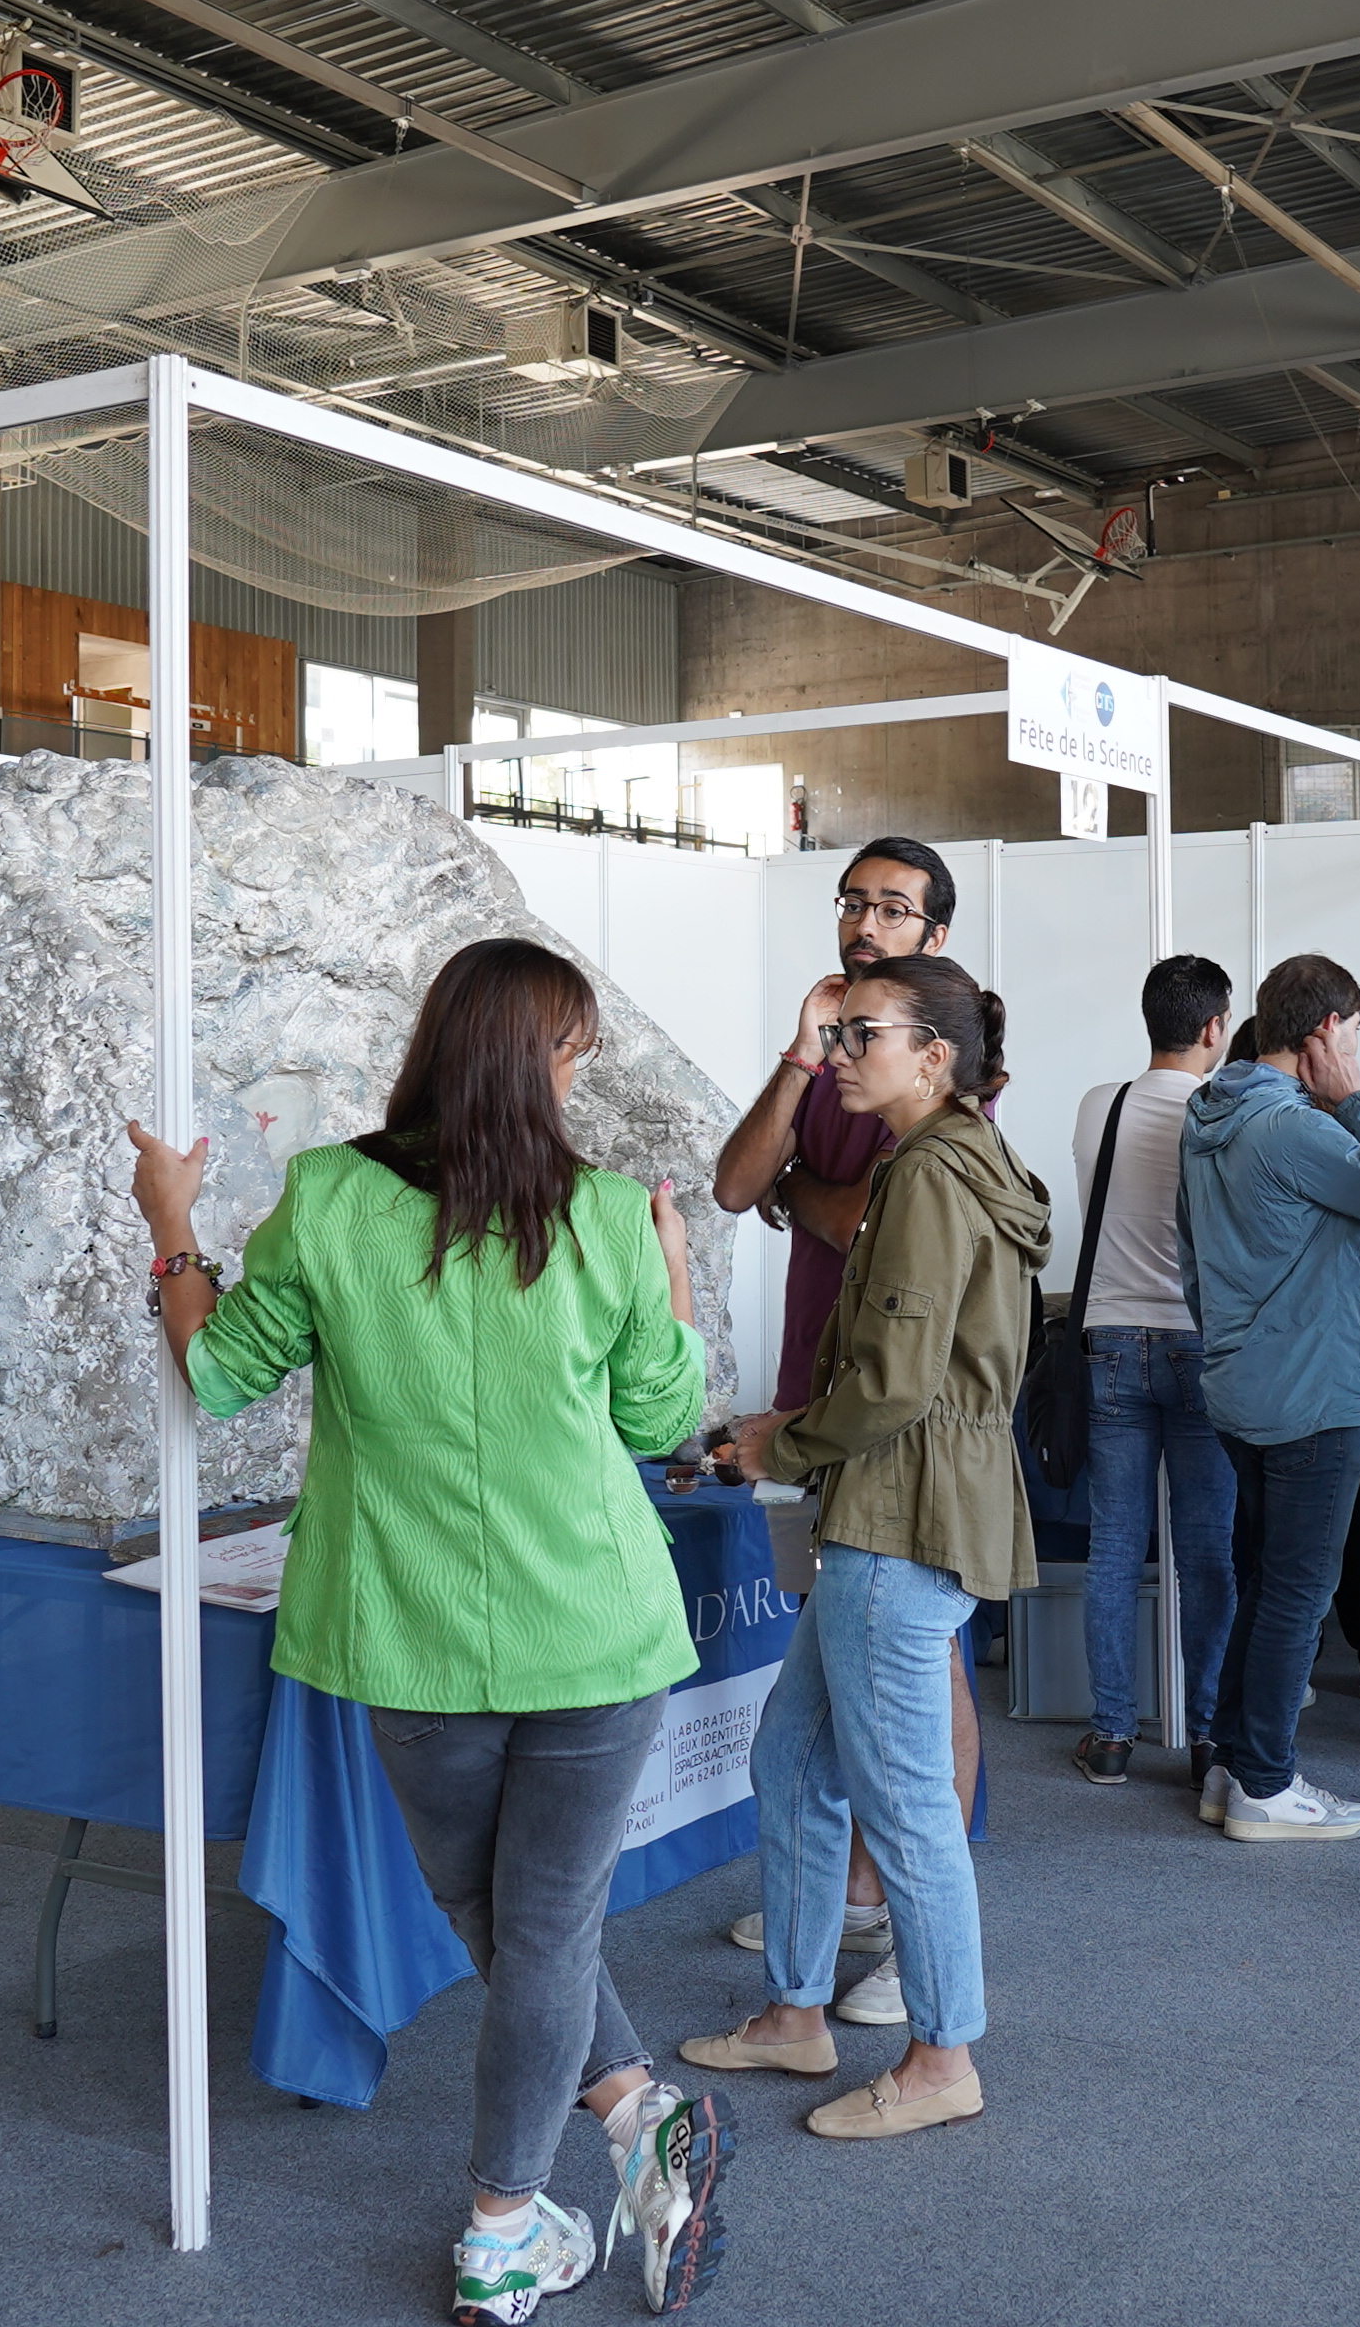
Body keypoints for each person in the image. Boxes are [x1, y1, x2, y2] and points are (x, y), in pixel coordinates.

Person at [127, 938, 730, 2323]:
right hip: (593, 1625)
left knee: (502, 1917)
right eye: (573, 1052)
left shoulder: (330, 1196)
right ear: (535, 1061)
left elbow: (217, 1367)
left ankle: (598, 2149)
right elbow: (658, 1418)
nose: (579, 1076)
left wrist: (172, 1224)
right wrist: (676, 1272)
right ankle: (544, 2194)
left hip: (408, 1628)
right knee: (541, 1928)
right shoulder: (607, 1216)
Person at [686, 957, 1044, 2143]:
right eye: (838, 1033)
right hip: (892, 1507)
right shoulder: (945, 1159)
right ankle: (796, 2011)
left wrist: (778, 1439)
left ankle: (944, 2054)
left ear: (934, 1055)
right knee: (792, 1763)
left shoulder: (931, 1173)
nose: (840, 1054)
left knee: (904, 1804)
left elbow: (890, 1382)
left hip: (897, 1512)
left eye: (862, 1034)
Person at [707, 836, 982, 2021]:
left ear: (935, 933)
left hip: (882, 1431)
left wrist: (796, 1189)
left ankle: (921, 1963)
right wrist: (800, 1054)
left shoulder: (939, 1044)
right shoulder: (835, 1046)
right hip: (814, 1403)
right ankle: (844, 1920)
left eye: (894, 908)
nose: (866, 922)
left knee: (918, 1687)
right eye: (854, 901)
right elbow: (735, 1183)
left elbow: (876, 1211)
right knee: (821, 1717)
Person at [1178, 953, 1360, 1844]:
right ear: (1327, 1029)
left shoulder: (1209, 1113)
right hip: (1313, 1393)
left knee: (1266, 1582)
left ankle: (1231, 1767)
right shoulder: (1292, 1127)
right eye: (1353, 1032)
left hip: (1242, 1384)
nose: (1355, 1047)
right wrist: (1359, 1098)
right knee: (1295, 1593)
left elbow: (1193, 1255)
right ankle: (1265, 1784)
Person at [1065, 953, 1238, 1785]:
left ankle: (1110, 1737)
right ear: (1214, 1027)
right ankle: (1207, 1737)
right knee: (1207, 1550)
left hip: (1110, 1338)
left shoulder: (1101, 1104)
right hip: (1199, 1341)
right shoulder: (1225, 1111)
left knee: (1113, 1544)